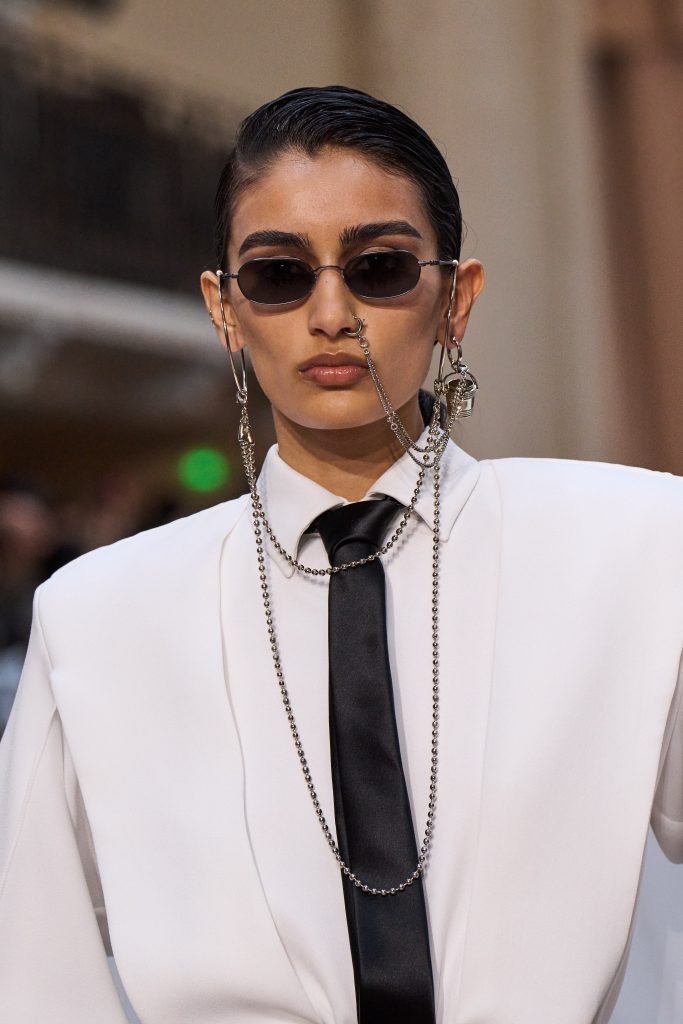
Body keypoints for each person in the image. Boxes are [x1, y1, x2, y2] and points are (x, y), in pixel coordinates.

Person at [0, 85, 681, 1024]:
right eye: (278, 274)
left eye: (379, 267)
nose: (330, 312)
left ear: (455, 299)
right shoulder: (98, 615)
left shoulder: (636, 545)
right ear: (224, 308)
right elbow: (31, 969)